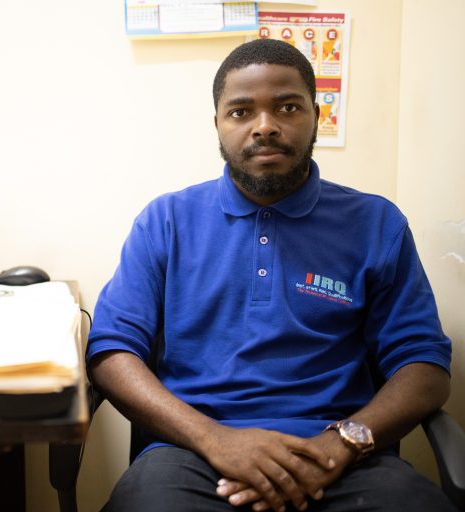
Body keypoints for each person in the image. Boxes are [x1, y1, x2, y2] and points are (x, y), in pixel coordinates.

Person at [86, 38, 454, 512]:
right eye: (241, 112)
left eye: (287, 107)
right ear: (218, 125)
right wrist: (215, 439)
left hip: (338, 454)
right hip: (191, 455)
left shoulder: (376, 223)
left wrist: (342, 443)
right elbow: (112, 352)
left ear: (315, 115)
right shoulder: (166, 221)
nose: (265, 126)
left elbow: (424, 367)